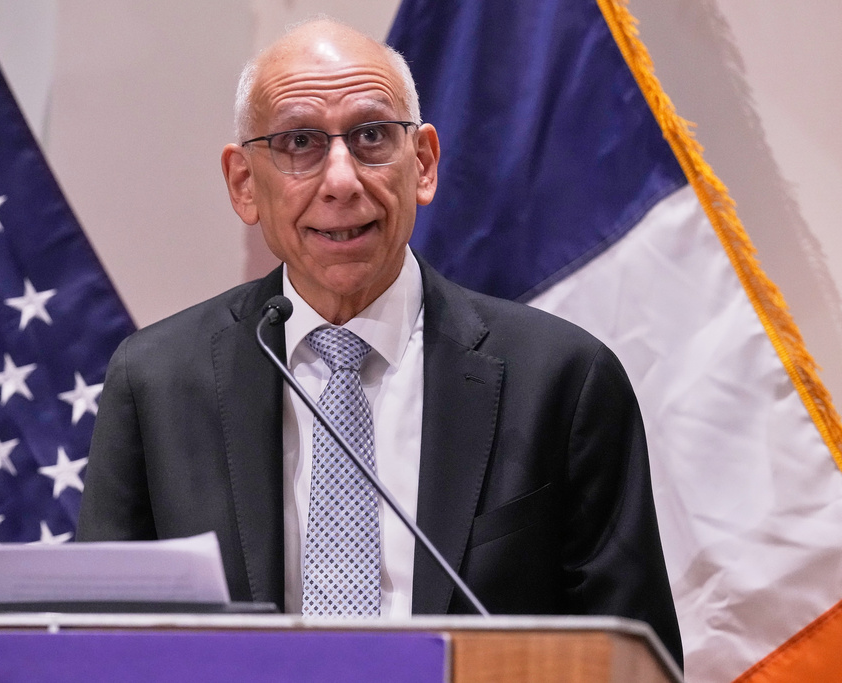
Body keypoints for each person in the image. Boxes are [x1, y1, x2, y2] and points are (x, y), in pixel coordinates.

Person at [77, 18, 683, 666]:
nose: (341, 179)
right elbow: (96, 650)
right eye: (299, 142)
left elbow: (634, 664)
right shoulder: (157, 382)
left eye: (371, 137)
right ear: (244, 184)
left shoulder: (564, 380)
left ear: (422, 163)